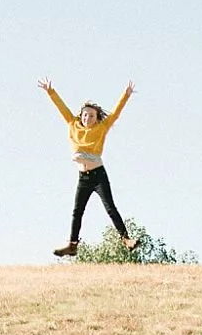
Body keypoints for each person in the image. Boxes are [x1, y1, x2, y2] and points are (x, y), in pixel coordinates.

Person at [38, 77, 137, 258]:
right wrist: (50, 92)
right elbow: (62, 108)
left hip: (98, 175)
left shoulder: (101, 128)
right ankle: (72, 245)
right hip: (83, 177)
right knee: (77, 211)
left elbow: (115, 113)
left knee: (110, 207)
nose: (87, 118)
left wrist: (126, 95)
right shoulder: (72, 124)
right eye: (85, 115)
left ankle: (126, 240)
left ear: (97, 118)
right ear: (80, 115)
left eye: (91, 116)